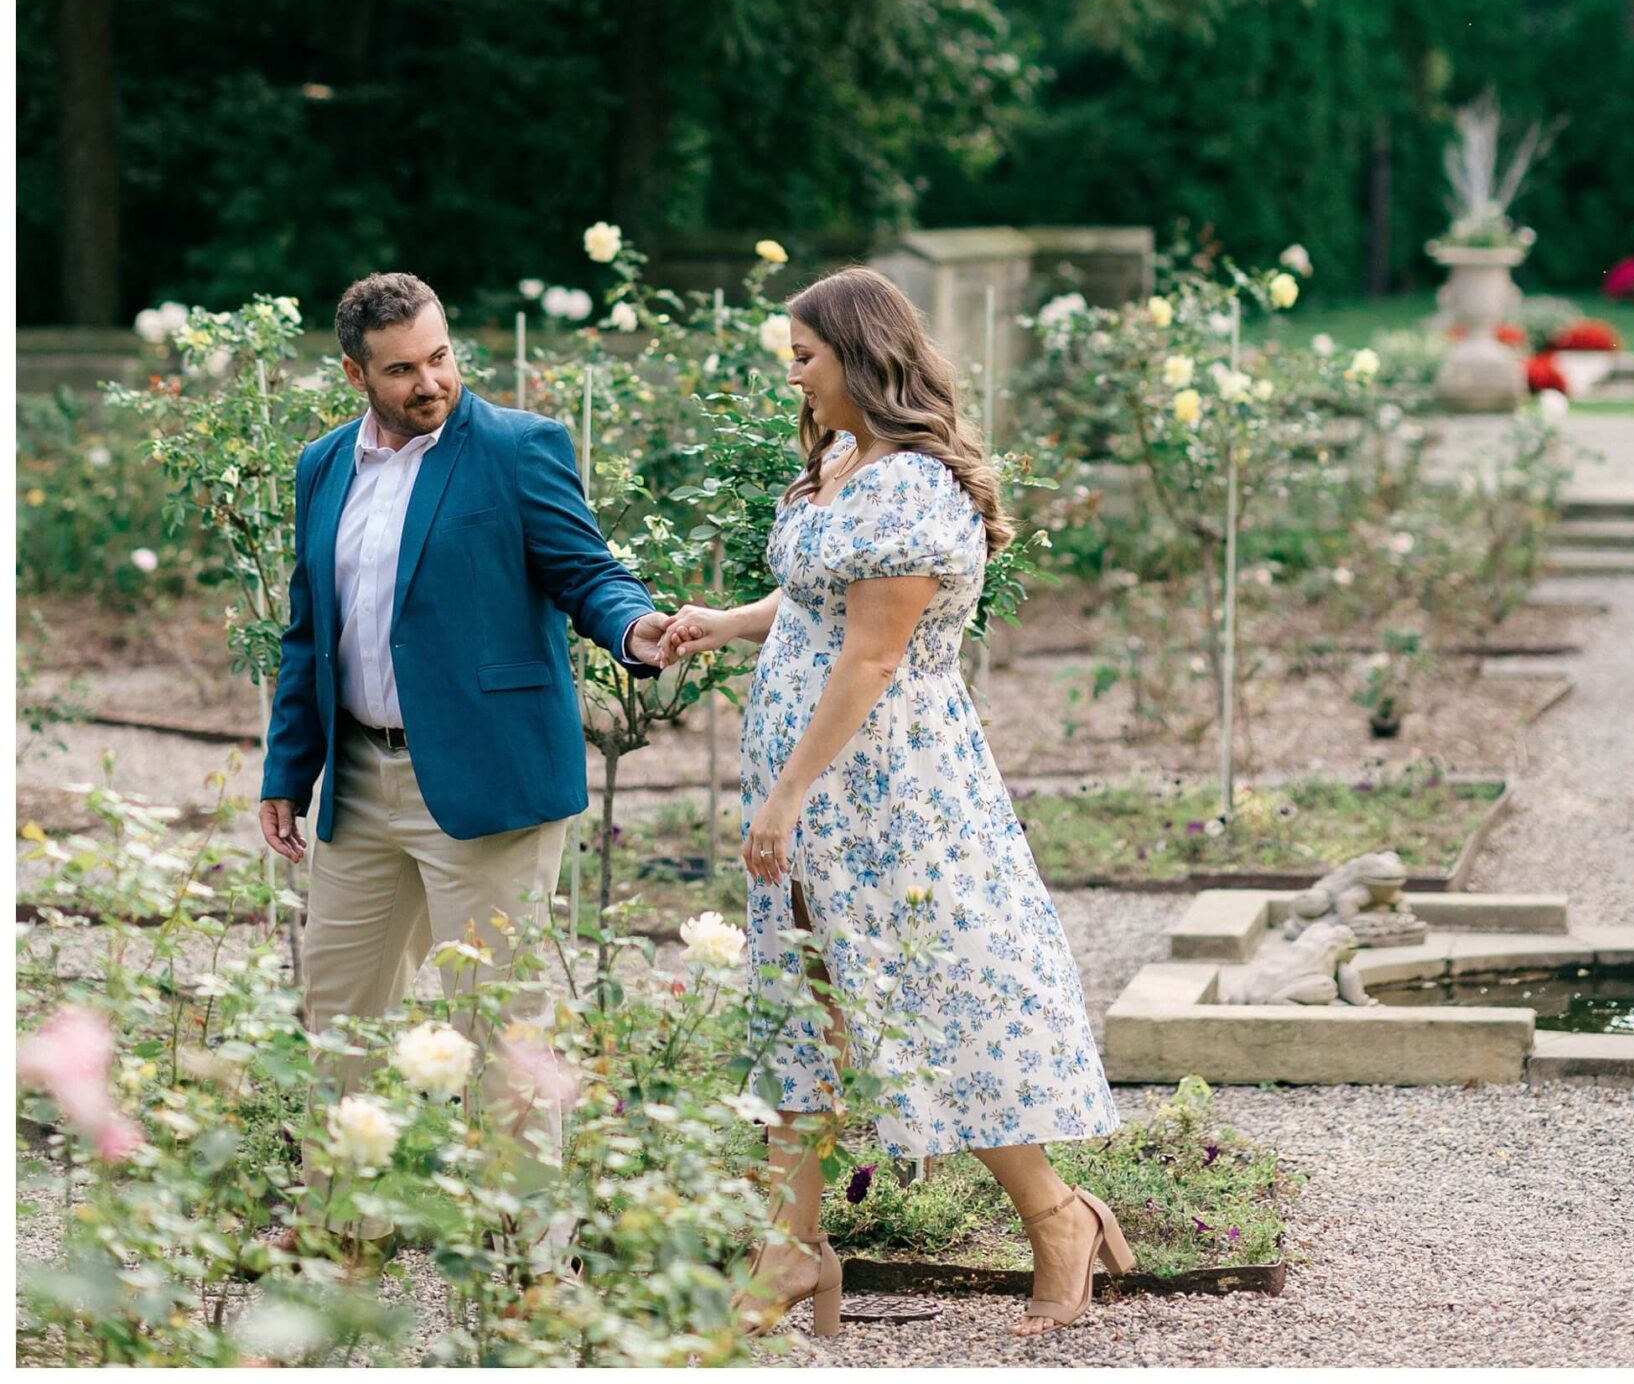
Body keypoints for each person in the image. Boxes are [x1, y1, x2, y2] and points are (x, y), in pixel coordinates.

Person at [659, 267, 1133, 1339]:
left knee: (932, 1002)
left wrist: (787, 794)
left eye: (805, 354)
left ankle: (1058, 1217)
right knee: (799, 1004)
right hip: (808, 775)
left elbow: (871, 656)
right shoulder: (840, 461)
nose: (793, 372)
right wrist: (724, 621)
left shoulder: (915, 488)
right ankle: (789, 1248)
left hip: (886, 788)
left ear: (862, 359)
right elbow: (820, 595)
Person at [258, 270, 671, 1161]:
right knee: (339, 1019)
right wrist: (287, 771)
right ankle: (342, 1229)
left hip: (488, 784)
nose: (431, 382)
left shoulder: (518, 448)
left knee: (500, 1027)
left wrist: (634, 627)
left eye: (440, 357)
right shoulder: (323, 464)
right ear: (354, 376)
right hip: (360, 784)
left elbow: (585, 570)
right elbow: (308, 629)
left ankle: (527, 1264)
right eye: (402, 369)